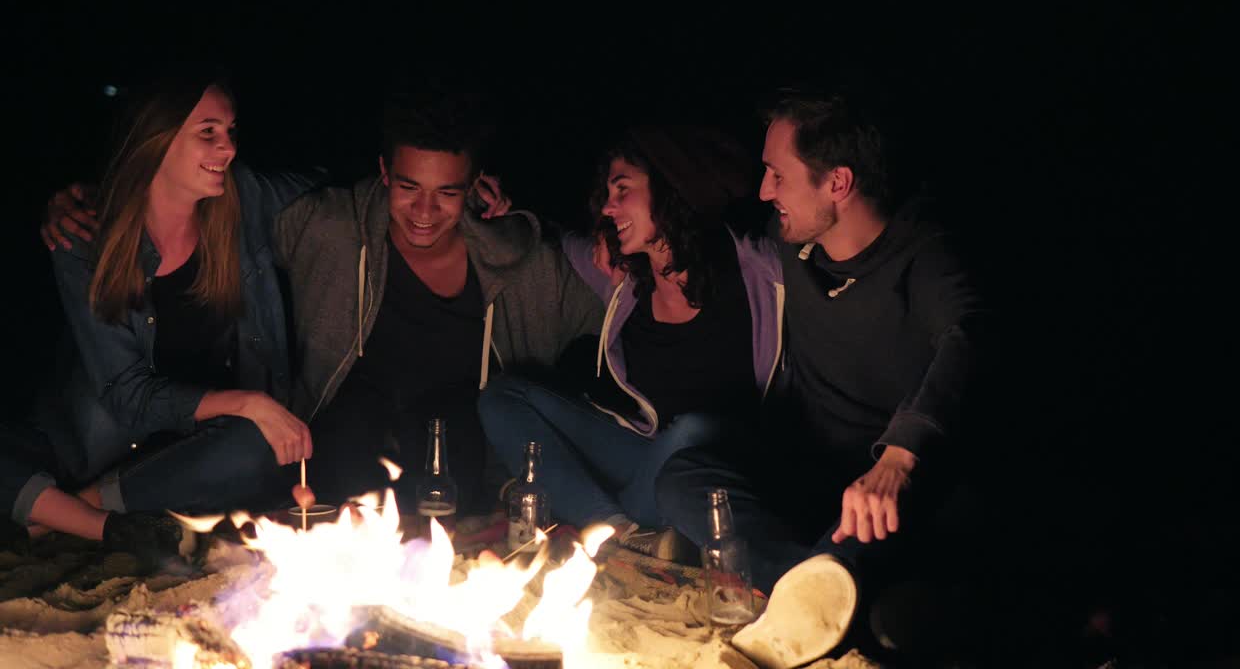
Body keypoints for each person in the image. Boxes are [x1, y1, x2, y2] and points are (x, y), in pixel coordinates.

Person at [655, 89, 987, 613]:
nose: (765, 191)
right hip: (807, 471)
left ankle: (817, 589)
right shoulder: (793, 239)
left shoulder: (923, 250)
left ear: (838, 182)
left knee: (873, 532)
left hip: (881, 490)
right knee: (681, 476)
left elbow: (967, 335)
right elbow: (702, 193)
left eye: (778, 175)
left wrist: (900, 455)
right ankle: (816, 591)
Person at [3, 72, 316, 555]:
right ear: (155, 140)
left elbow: (334, 185)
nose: (228, 148)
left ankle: (70, 510)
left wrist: (456, 196)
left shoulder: (243, 198)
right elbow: (127, 397)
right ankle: (99, 521)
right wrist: (246, 402)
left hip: (197, 441)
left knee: (257, 446)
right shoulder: (85, 239)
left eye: (230, 132)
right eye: (207, 133)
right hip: (106, 440)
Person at [274, 88, 603, 515]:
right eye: (409, 187)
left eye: (447, 192)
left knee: (446, 444)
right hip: (348, 437)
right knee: (350, 438)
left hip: (454, 448)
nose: (424, 210)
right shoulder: (329, 227)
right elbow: (238, 212)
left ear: (473, 184)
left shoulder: (523, 261)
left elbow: (617, 299)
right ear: (385, 173)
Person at [477, 125, 784, 560]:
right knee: (502, 396)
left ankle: (587, 509)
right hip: (644, 452)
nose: (608, 207)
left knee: (695, 430)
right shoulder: (627, 281)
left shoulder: (759, 271)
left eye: (623, 191)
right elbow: (559, 234)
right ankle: (622, 533)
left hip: (711, 468)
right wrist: (507, 200)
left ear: (670, 185)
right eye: (607, 194)